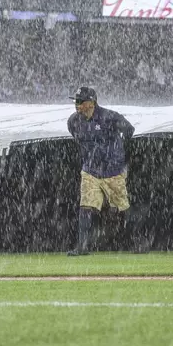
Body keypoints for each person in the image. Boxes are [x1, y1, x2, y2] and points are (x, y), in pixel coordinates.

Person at [66, 87, 148, 255]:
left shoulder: (110, 117)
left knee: (122, 207)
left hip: (113, 170)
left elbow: (129, 131)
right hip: (90, 170)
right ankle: (82, 246)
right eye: (76, 101)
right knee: (86, 205)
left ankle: (139, 242)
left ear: (91, 103)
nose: (77, 105)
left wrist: (116, 153)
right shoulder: (74, 121)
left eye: (80, 102)